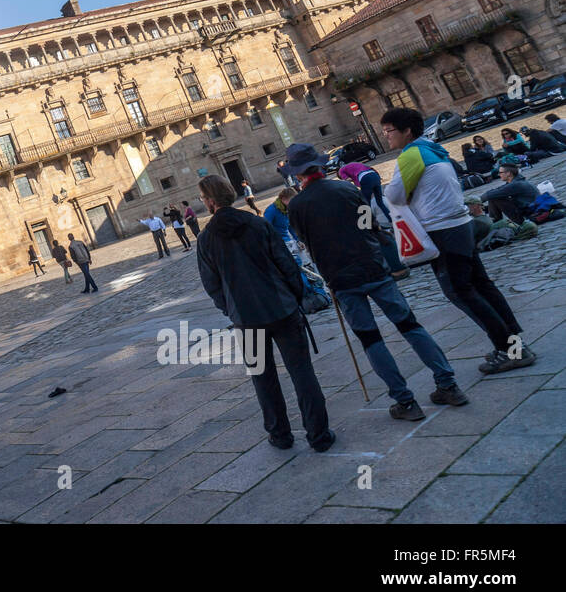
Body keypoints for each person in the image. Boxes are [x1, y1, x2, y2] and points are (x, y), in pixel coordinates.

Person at [285, 142, 468, 420]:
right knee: (409, 324)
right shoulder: (347, 189)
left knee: (371, 339)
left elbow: (302, 239)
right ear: (320, 165)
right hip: (372, 266)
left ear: (297, 174)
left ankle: (405, 402)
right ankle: (448, 384)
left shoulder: (297, 205)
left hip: (341, 277)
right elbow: (368, 224)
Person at [380, 108, 535, 375]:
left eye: (389, 130)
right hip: (460, 225)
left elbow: (393, 196)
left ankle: (511, 349)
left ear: (407, 131)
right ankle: (514, 342)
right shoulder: (433, 149)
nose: (386, 136)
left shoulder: (411, 154)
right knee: (482, 286)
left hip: (443, 230)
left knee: (460, 291)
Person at [195, 175, 335, 452]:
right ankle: (318, 435)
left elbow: (212, 285)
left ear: (210, 201)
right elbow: (287, 265)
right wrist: (294, 297)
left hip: (246, 318)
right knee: (302, 372)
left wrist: (232, 309)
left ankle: (280, 434)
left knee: (263, 378)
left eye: (202, 199)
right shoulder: (257, 224)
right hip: (281, 308)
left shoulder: (206, 239)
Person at [337, 161, 410, 280]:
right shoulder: (355, 166)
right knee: (380, 202)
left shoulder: (342, 170)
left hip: (366, 178)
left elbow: (347, 184)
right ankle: (391, 220)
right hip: (374, 176)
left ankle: (369, 224)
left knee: (365, 204)